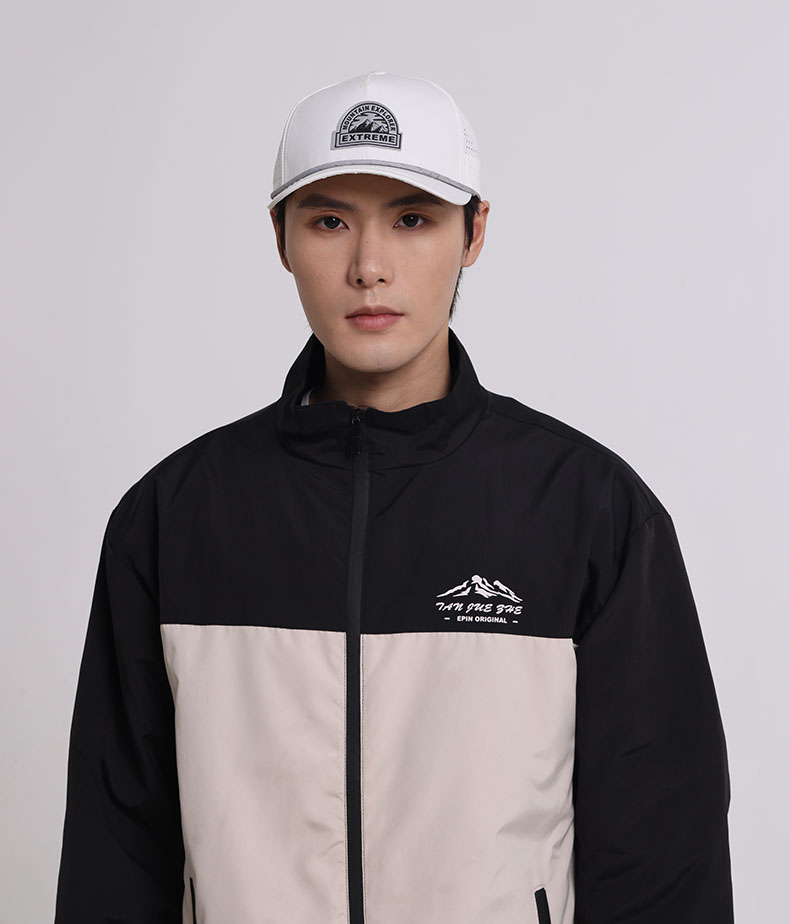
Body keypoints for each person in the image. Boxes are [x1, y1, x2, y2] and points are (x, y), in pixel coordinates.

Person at [54, 71, 735, 923]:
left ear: (473, 232)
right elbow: (115, 855)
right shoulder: (173, 519)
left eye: (412, 219)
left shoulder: (588, 510)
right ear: (280, 237)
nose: (369, 268)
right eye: (329, 221)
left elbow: (663, 858)